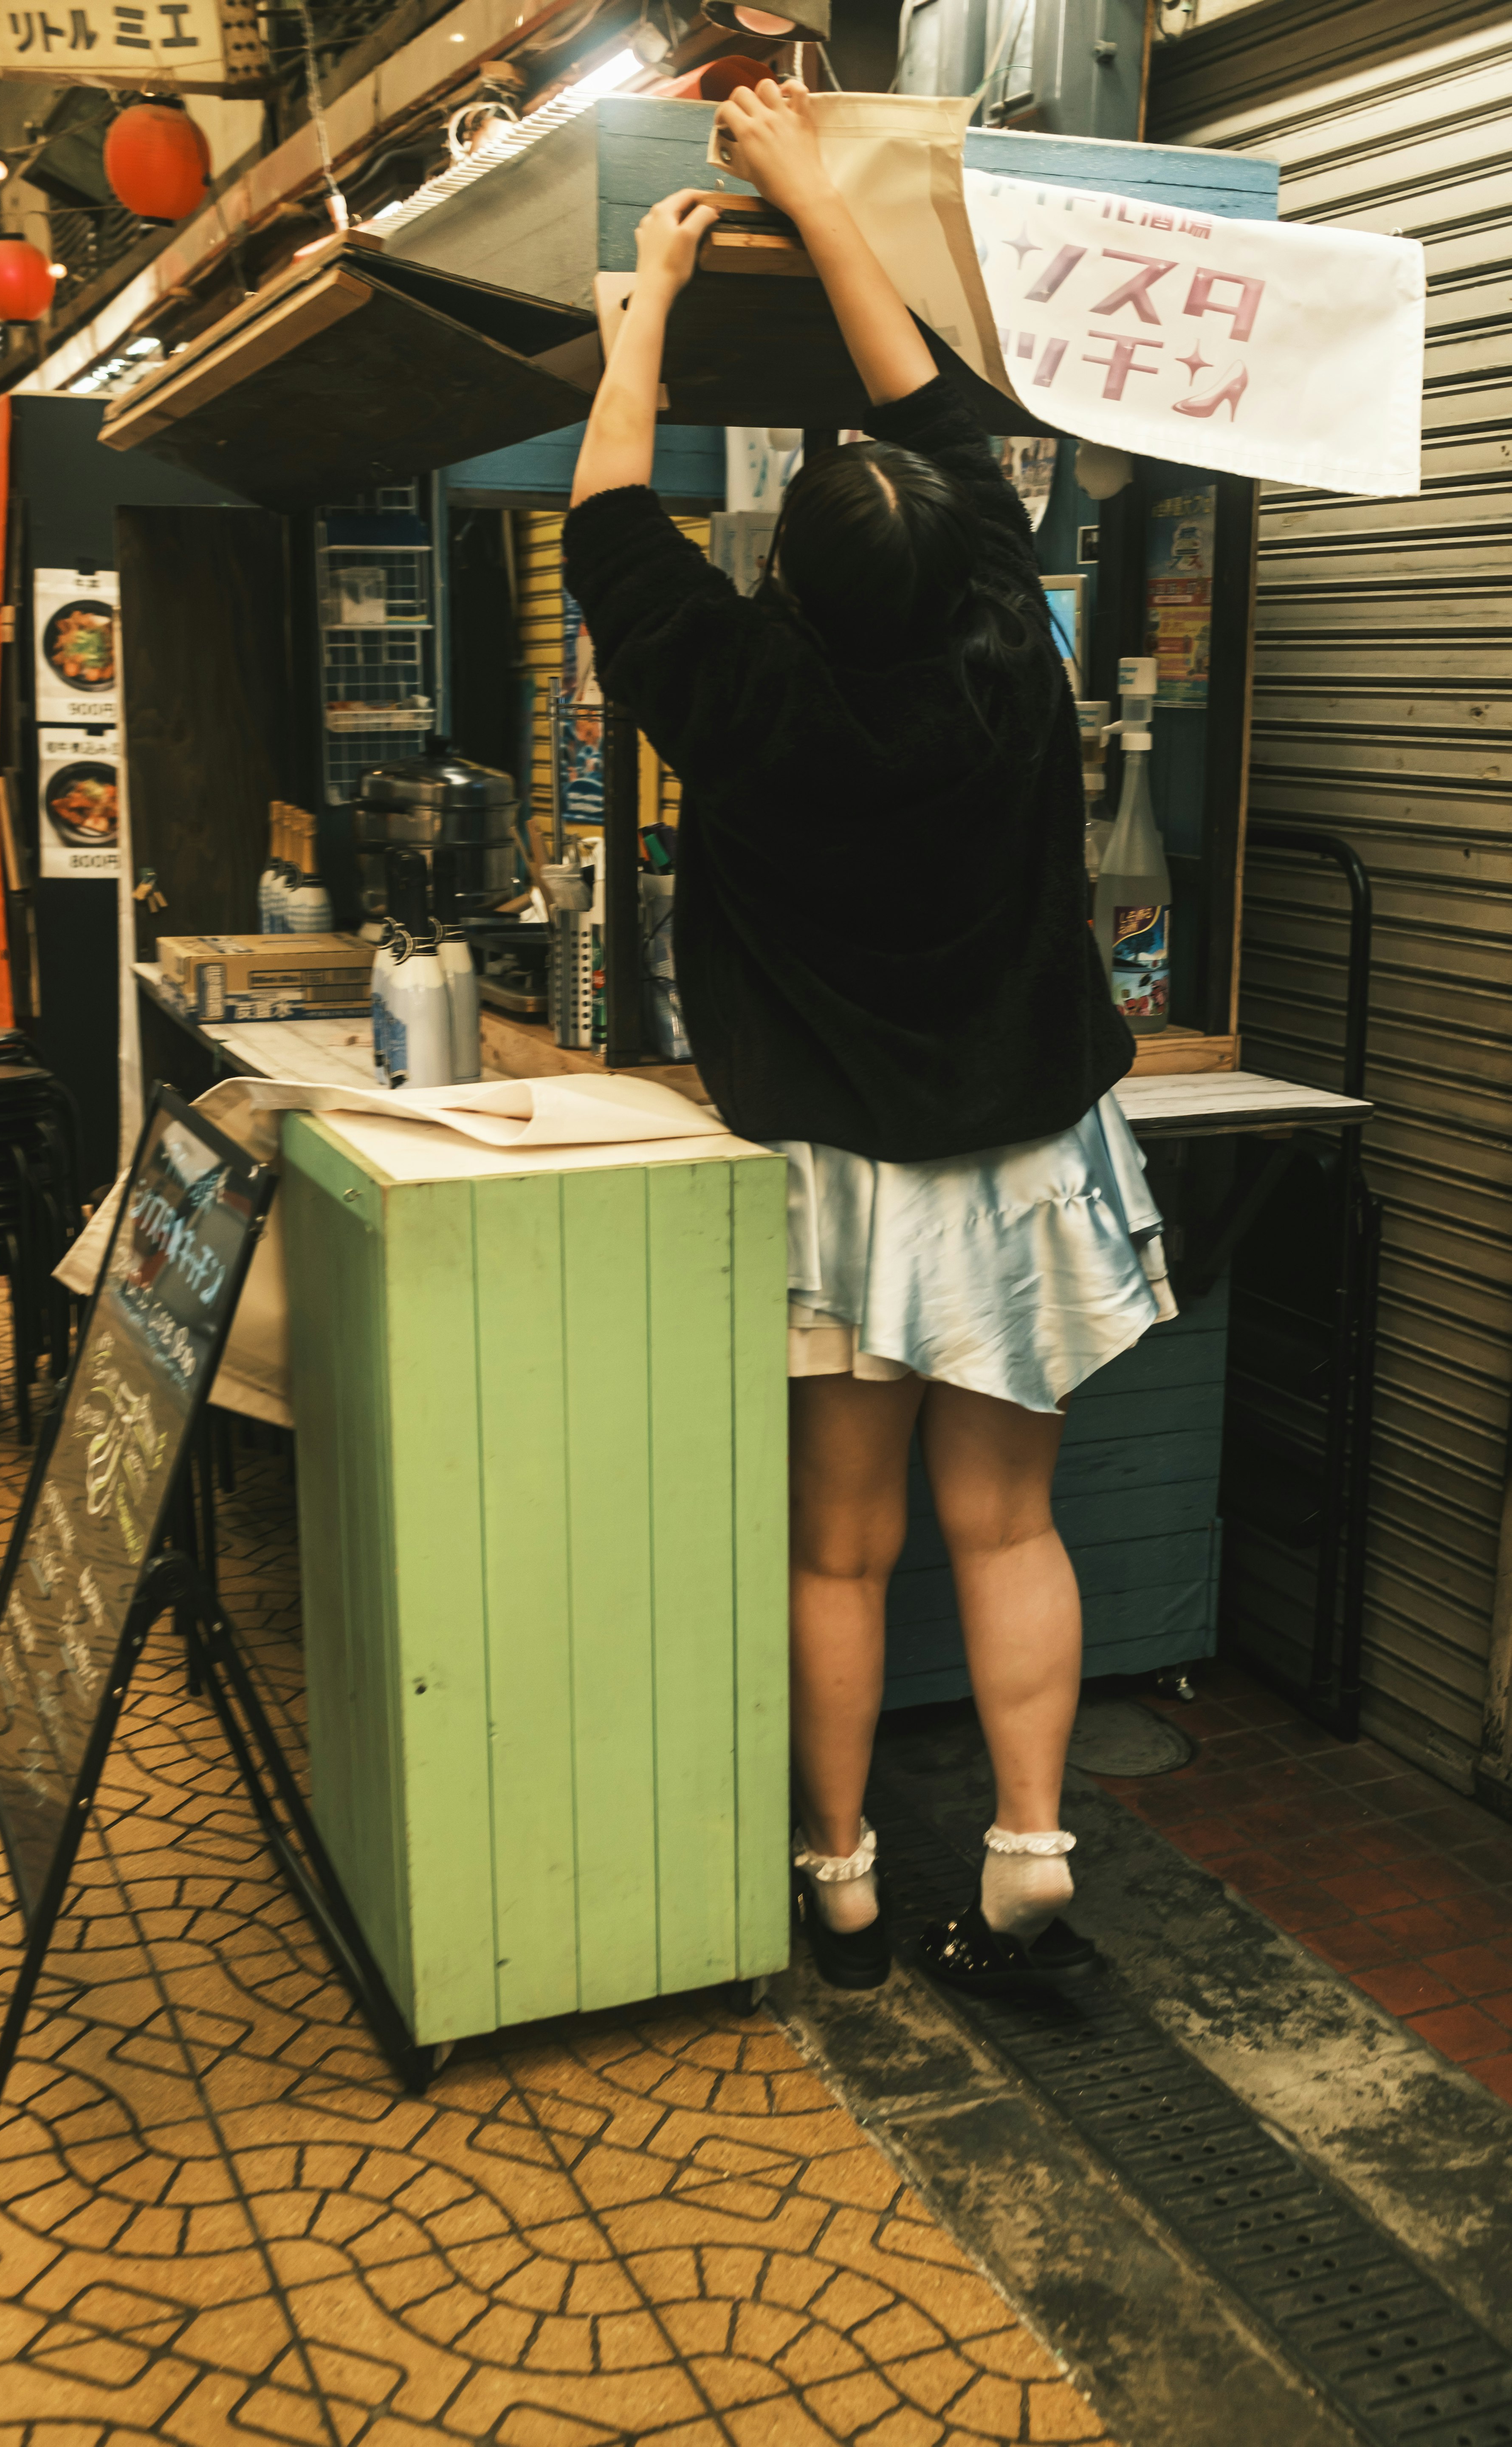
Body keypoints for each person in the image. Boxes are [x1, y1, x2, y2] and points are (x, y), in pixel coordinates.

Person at [561, 78, 1174, 1996]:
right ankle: (1028, 1857)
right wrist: (814, 184)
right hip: (1024, 1151)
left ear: (791, 583)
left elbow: (603, 516)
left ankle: (836, 1883)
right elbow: (939, 416)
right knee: (1008, 1524)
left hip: (838, 1167)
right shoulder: (1009, 631)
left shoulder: (738, 688)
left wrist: (645, 302)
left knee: (841, 1545)